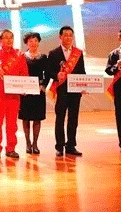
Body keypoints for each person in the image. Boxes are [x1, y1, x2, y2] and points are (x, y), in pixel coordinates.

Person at [0, 29, 28, 160]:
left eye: (11, 38)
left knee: (12, 124)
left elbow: (24, 73)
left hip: (14, 94)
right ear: (0, 40)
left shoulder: (19, 55)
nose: (9, 40)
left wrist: (23, 86)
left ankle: (11, 148)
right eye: (6, 38)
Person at [46, 26, 85, 157]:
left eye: (70, 35)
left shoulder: (78, 53)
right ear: (60, 37)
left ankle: (71, 146)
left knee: (73, 119)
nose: (68, 37)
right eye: (65, 35)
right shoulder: (54, 53)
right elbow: (48, 72)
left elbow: (82, 72)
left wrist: (85, 85)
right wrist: (56, 75)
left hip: (75, 92)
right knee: (60, 119)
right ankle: (59, 146)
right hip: (61, 91)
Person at [20, 32, 49, 155]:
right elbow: (18, 73)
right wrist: (21, 88)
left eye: (36, 40)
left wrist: (43, 86)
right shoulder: (21, 57)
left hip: (38, 91)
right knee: (25, 118)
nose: (33, 43)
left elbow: (47, 74)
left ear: (38, 42)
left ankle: (35, 144)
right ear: (26, 43)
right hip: (25, 92)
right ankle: (28, 143)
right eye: (30, 41)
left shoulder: (43, 57)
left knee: (37, 118)